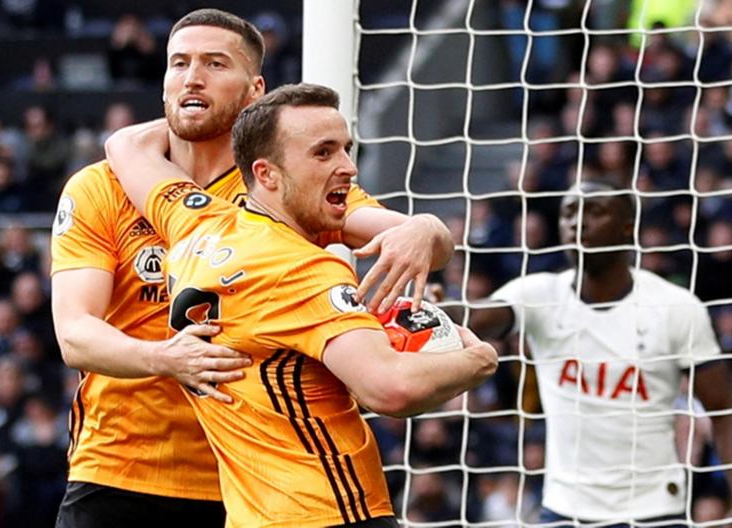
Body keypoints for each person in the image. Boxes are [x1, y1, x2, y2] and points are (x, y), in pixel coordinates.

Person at [50, 8, 454, 527]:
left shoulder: (281, 186)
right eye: (179, 63)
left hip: (250, 483)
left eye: (215, 64)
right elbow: (75, 335)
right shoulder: (99, 187)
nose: (192, 77)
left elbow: (417, 239)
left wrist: (426, 229)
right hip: (119, 469)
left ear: (255, 90)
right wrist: (164, 357)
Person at [109, 81, 498, 527]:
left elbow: (126, 146)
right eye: (323, 153)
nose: (348, 168)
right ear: (267, 174)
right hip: (331, 512)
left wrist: (424, 226)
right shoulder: (302, 269)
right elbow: (389, 387)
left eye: (346, 149)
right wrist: (479, 361)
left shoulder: (195, 222)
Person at [469, 179, 732, 526]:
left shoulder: (675, 307)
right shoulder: (541, 295)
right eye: (569, 212)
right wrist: (434, 309)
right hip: (564, 508)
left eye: (595, 211)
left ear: (628, 227)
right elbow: (478, 317)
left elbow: (724, 408)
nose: (577, 222)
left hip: (653, 510)